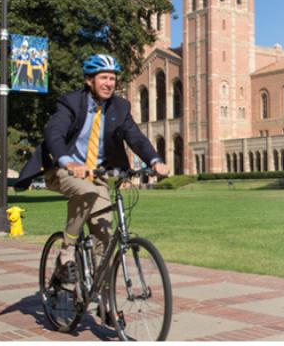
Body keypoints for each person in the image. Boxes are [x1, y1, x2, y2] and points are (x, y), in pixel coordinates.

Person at [15, 54, 169, 287]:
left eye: (113, 78)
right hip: (62, 170)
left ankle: (103, 299)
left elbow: (135, 138)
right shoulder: (71, 102)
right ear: (89, 80)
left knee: (104, 237)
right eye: (104, 78)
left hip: (96, 175)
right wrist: (68, 162)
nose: (109, 83)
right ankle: (66, 252)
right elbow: (54, 133)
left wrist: (155, 160)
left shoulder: (120, 107)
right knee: (86, 193)